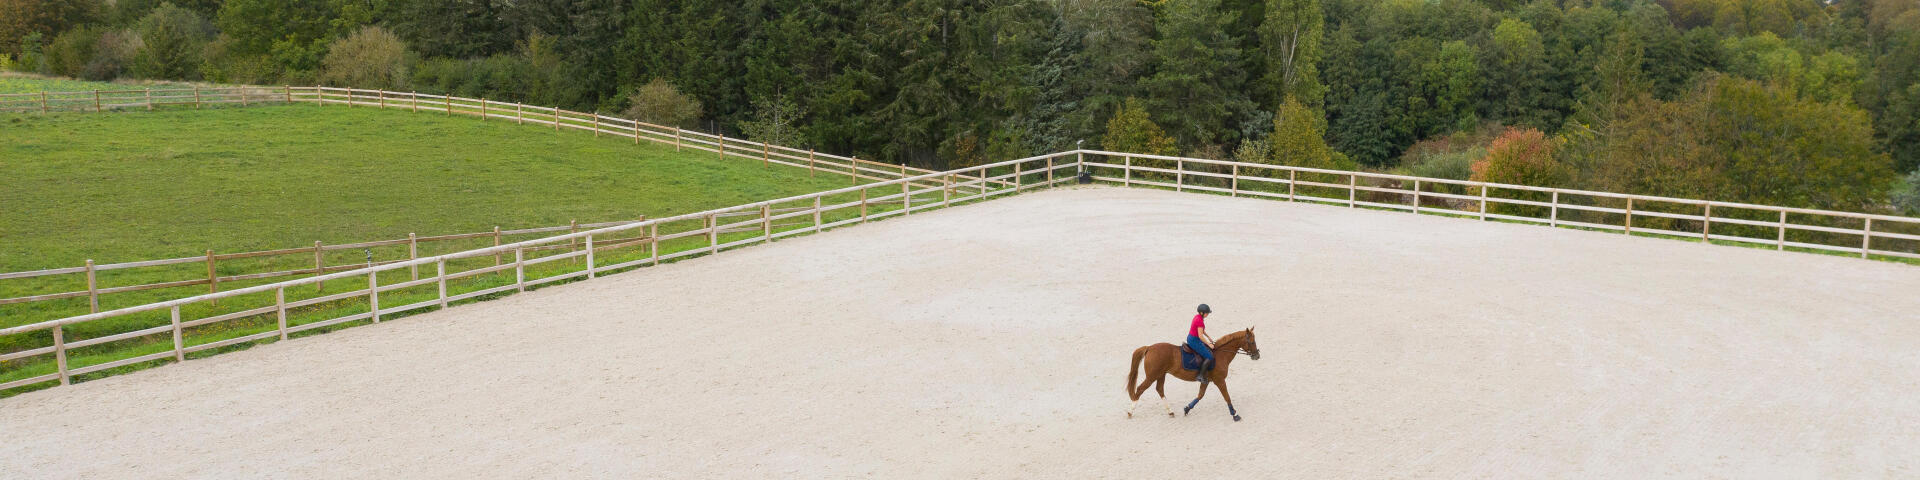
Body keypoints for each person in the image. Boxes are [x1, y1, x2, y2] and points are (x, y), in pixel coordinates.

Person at [1188, 304, 1217, 382]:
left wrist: (1208, 337)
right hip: (1194, 340)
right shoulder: (1200, 321)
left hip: (1191, 338)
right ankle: (1200, 376)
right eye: (1207, 313)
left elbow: (1201, 330)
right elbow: (1200, 336)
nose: (1208, 314)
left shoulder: (1197, 317)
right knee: (1209, 357)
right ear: (1202, 313)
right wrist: (1209, 344)